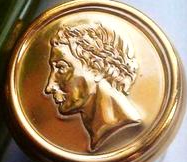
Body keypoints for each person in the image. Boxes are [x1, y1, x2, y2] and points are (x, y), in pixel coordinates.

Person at [45, 23, 142, 151]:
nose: (49, 87)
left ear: (97, 68)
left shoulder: (127, 133)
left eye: (61, 68)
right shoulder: (105, 138)